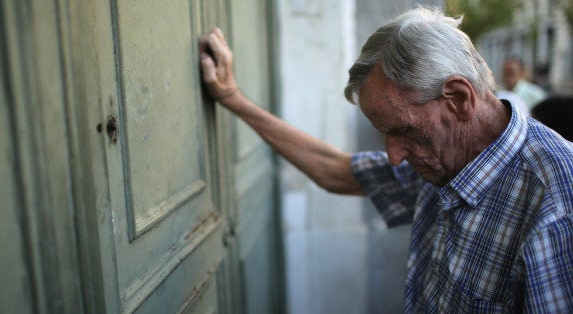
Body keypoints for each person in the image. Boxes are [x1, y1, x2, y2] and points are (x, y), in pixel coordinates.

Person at [199, 7, 573, 313]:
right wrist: (233, 97)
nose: (394, 156)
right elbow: (334, 170)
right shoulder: (446, 159)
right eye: (385, 136)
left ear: (458, 98)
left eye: (404, 131)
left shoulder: (558, 203)